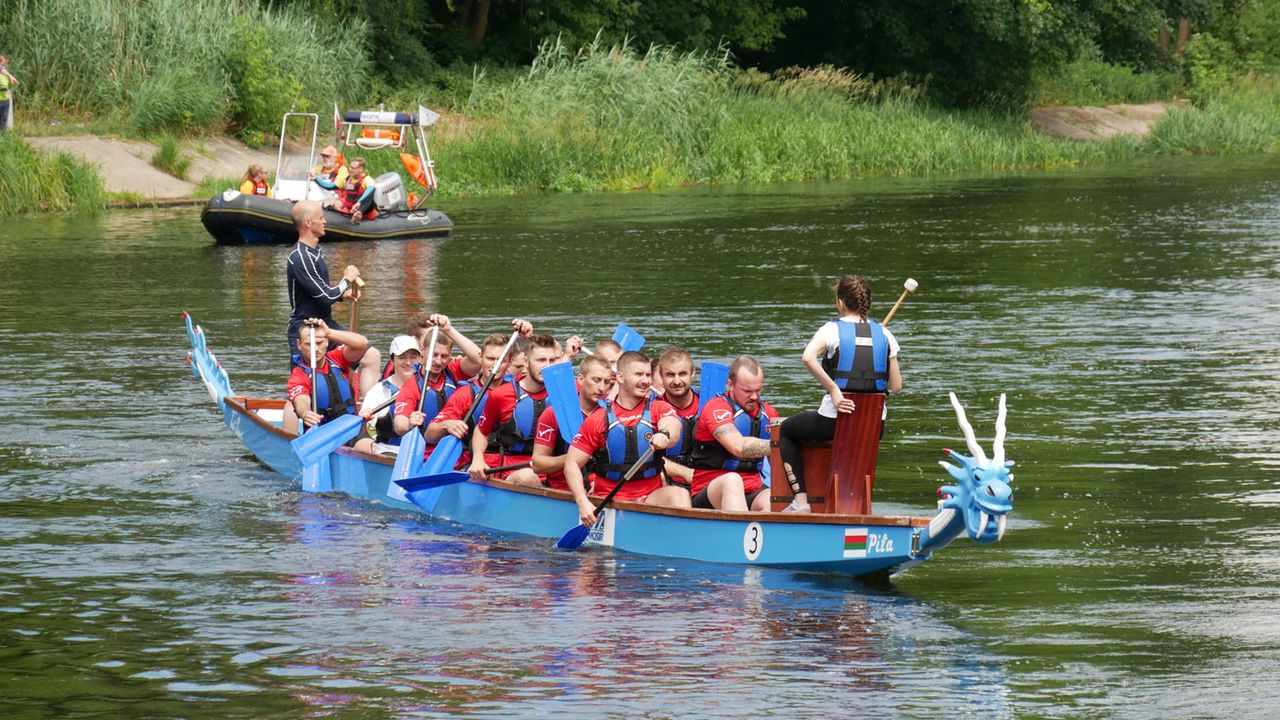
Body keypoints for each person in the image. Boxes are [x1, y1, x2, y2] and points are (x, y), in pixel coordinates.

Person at [777, 274, 903, 513]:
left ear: (840, 303)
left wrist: (834, 390)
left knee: (786, 431)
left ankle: (801, 503)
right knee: (856, 436)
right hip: (873, 427)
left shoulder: (831, 329)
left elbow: (807, 357)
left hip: (835, 420)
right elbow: (896, 386)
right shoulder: (884, 335)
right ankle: (856, 504)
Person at [563, 351, 689, 528]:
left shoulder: (658, 408)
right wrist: (582, 502)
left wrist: (664, 435)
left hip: (651, 497)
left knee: (679, 494)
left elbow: (673, 427)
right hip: (610, 501)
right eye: (638, 374)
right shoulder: (598, 419)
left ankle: (681, 541)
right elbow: (572, 463)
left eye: (647, 375)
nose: (645, 380)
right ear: (620, 377)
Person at [424, 326, 529, 467]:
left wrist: (528, 335)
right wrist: (446, 425)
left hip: (510, 464)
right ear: (480, 358)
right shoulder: (465, 394)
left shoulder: (519, 389)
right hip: (473, 463)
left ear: (510, 362)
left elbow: (537, 367)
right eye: (490, 359)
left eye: (501, 360)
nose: (495, 365)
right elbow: (429, 435)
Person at [689, 355, 777, 512]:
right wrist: (779, 444)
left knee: (774, 499)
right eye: (747, 391)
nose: (754, 397)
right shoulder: (715, 408)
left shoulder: (769, 413)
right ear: (730, 385)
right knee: (732, 480)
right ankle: (739, 532)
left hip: (752, 491)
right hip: (710, 492)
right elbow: (738, 447)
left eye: (758, 390)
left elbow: (778, 464)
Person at [470, 333, 557, 486]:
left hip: (552, 472)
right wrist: (478, 459)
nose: (547, 366)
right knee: (527, 477)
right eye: (541, 360)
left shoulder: (564, 394)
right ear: (526, 361)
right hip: (512, 472)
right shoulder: (501, 395)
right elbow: (482, 431)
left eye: (552, 360)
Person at [285, 319, 374, 453]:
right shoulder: (299, 375)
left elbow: (362, 344)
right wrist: (305, 413)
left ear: (326, 342)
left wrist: (329, 332)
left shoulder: (337, 358)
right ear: (299, 345)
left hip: (351, 429)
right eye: (309, 344)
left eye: (319, 343)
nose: (315, 349)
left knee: (367, 447)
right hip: (322, 435)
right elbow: (301, 400)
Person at [531, 354, 614, 491]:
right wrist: (574, 458)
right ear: (580, 379)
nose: (602, 388)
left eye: (606, 382)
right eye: (596, 380)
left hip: (600, 488)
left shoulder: (611, 414)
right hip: (562, 489)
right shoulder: (554, 414)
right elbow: (538, 464)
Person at [361, 335, 420, 455]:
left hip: (423, 452)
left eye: (413, 357)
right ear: (392, 360)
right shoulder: (379, 391)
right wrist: (364, 419)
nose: (408, 362)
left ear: (420, 359)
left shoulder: (427, 386)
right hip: (388, 451)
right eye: (402, 357)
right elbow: (365, 428)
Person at [656, 347, 700, 487]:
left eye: (682, 374)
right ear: (661, 376)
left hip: (705, 483)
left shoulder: (712, 403)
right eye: (670, 375)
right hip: (667, 483)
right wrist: (686, 473)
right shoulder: (651, 409)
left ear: (692, 373)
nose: (676, 381)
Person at [314, 156, 376, 223]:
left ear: (360, 169)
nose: (350, 169)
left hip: (363, 209)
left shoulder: (367, 179)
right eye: (350, 167)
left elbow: (371, 189)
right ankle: (347, 217)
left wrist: (359, 202)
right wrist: (316, 178)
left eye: (353, 168)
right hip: (350, 209)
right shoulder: (346, 179)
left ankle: (359, 214)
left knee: (369, 198)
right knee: (336, 204)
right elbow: (330, 186)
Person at [0, 56, 17, 131]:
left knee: (4, 121)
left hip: (5, 100)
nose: (6, 66)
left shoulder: (6, 75)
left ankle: (3, 138)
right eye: (4, 64)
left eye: (6, 63)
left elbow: (6, 86)